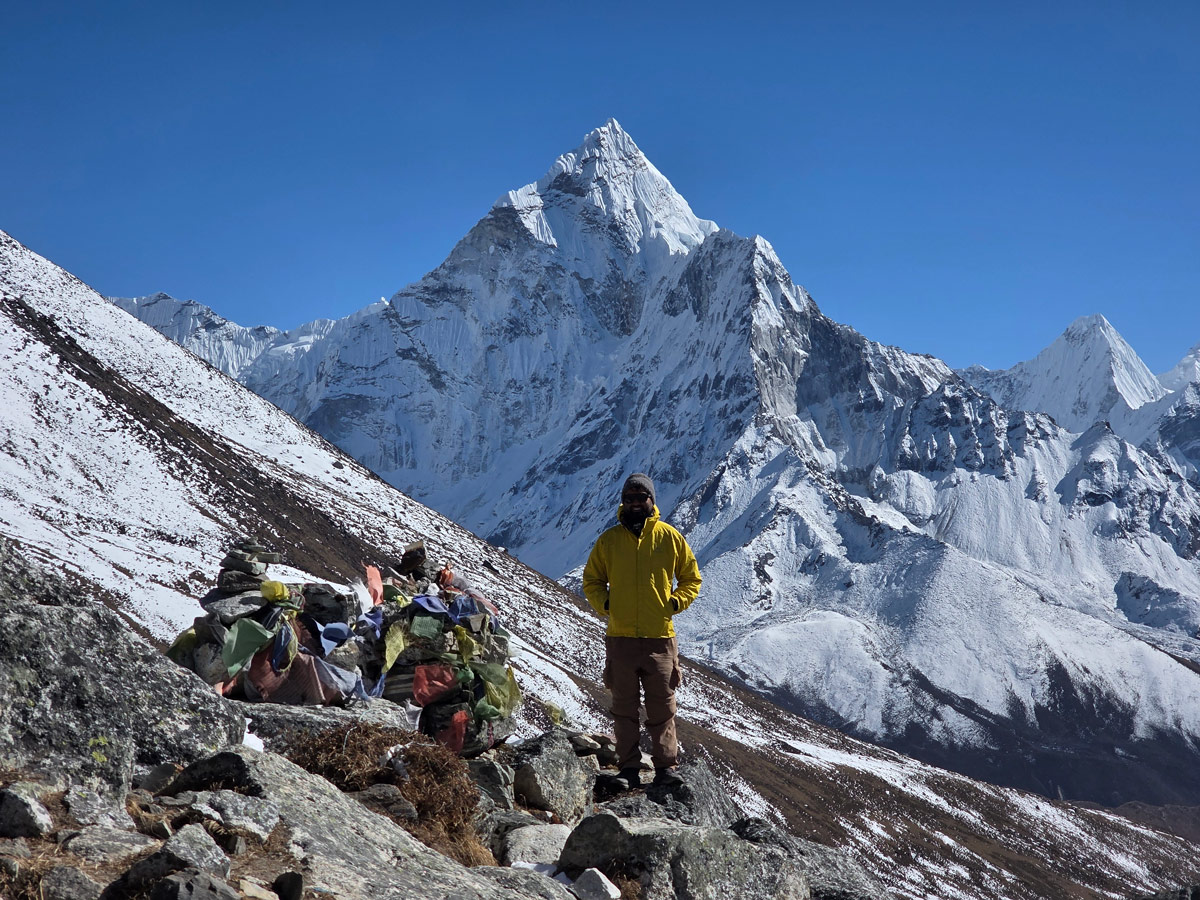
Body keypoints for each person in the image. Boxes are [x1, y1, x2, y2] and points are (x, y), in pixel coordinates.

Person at [582, 473, 702, 789]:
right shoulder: (608, 541)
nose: (636, 503)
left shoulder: (669, 538)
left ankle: (665, 769)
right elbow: (592, 580)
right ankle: (629, 770)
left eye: (641, 497)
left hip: (660, 638)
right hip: (620, 638)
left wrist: (675, 602)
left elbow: (692, 578)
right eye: (630, 498)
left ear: (652, 500)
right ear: (624, 502)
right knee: (624, 709)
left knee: (662, 707)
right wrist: (606, 604)